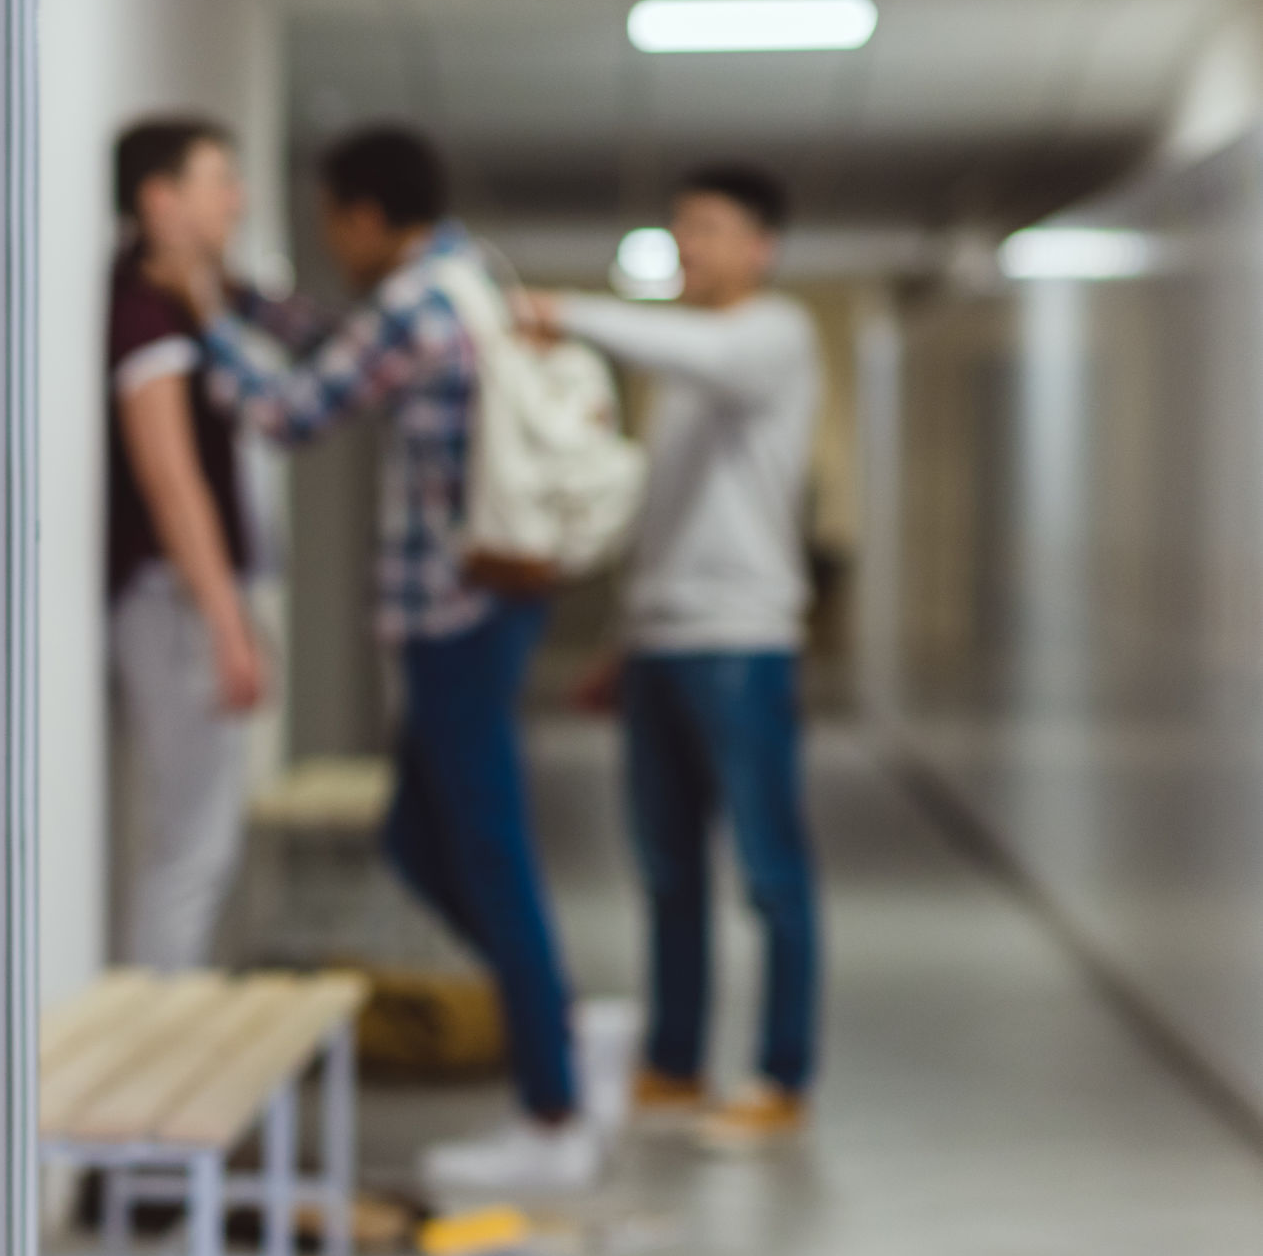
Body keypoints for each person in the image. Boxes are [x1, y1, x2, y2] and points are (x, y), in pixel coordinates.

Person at [155, 125, 621, 1195]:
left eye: (331, 219)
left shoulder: (413, 304)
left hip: (453, 613)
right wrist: (247, 298)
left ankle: (549, 1109)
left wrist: (204, 314)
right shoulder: (456, 276)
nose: (329, 239)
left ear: (365, 216)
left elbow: (289, 408)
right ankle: (557, 1014)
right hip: (481, 604)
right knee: (420, 838)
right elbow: (340, 340)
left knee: (487, 848)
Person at [520, 162, 824, 1148]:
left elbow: (708, 354)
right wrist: (625, 637)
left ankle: (780, 1073)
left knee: (769, 874)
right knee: (665, 872)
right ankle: (674, 1061)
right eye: (678, 230)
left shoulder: (772, 335)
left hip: (741, 645)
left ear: (758, 246)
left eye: (704, 228)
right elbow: (667, 516)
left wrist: (566, 309)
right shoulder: (682, 372)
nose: (686, 246)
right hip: (660, 647)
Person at [103, 118, 269, 974]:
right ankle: (157, 1095)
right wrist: (225, 619)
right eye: (219, 180)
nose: (235, 200)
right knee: (189, 852)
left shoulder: (192, 302)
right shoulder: (144, 315)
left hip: (182, 598)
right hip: (171, 600)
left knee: (193, 847)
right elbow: (172, 481)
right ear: (159, 198)